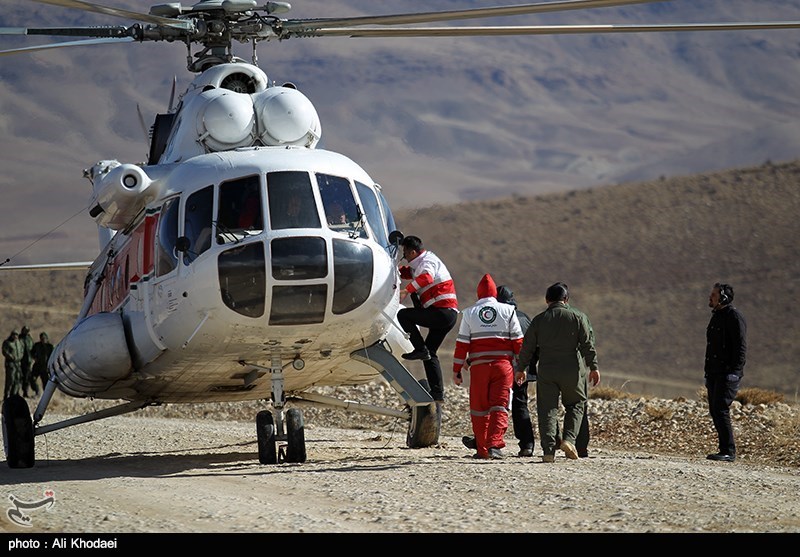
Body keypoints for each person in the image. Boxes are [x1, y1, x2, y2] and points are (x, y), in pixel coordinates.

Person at [516, 282, 600, 462]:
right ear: (566, 299)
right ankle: (569, 440)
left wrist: (521, 368)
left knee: (547, 409)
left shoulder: (539, 319)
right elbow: (587, 344)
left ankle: (548, 451)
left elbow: (527, 348)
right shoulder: (578, 317)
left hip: (547, 370)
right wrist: (593, 367)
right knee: (576, 405)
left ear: (547, 300)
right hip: (573, 370)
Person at [452, 274, 523, 459]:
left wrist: (456, 370)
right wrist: (521, 367)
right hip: (503, 367)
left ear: (478, 293)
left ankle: (482, 450)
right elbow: (518, 342)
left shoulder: (469, 313)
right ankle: (495, 445)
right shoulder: (508, 311)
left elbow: (462, 345)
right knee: (500, 405)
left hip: (479, 368)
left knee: (479, 408)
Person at [462, 284, 536, 456]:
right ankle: (526, 445)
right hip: (521, 369)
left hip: (504, 368)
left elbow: (491, 343)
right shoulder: (524, 317)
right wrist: (528, 366)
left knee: (488, 405)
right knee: (519, 405)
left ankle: (486, 443)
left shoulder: (498, 316)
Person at [396, 235, 458, 403]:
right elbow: (410, 272)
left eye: (405, 253)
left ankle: (419, 348)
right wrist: (394, 269)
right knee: (430, 354)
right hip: (447, 315)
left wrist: (406, 291)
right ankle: (437, 395)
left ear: (413, 252)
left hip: (441, 312)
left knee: (403, 315)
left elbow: (426, 278)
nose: (405, 257)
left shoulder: (427, 261)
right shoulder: (419, 264)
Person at [704, 282, 747, 462]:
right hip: (714, 372)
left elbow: (740, 347)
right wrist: (707, 373)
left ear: (723, 297)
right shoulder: (716, 317)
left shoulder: (734, 317)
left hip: (727, 373)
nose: (710, 297)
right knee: (715, 409)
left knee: (721, 409)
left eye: (713, 295)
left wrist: (735, 371)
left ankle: (729, 451)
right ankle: (724, 449)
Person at [2, 330, 24, 400]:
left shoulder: (19, 342)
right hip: (10, 364)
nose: (15, 336)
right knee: (10, 380)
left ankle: (14, 395)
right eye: (14, 335)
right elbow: (4, 351)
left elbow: (22, 351)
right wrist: (11, 356)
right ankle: (6, 395)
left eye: (16, 335)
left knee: (17, 379)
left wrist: (20, 357)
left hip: (18, 363)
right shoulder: (7, 343)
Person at [18, 326, 35, 398]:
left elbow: (33, 349)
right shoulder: (19, 339)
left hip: (28, 361)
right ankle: (17, 392)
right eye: (25, 330)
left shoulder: (29, 339)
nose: (26, 332)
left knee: (27, 377)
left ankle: (26, 392)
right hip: (20, 361)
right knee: (19, 377)